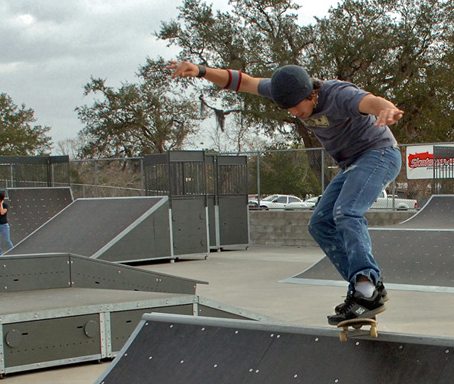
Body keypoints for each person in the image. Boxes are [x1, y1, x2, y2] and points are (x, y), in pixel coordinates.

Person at [168, 60, 402, 324]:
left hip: (379, 154)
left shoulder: (338, 94)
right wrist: (201, 71)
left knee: (346, 212)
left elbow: (371, 102)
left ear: (310, 94)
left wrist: (387, 109)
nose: (294, 112)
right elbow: (244, 81)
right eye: (287, 109)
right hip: (351, 164)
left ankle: (365, 289)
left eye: (296, 106)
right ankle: (368, 289)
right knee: (319, 224)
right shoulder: (284, 88)